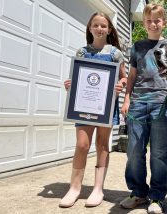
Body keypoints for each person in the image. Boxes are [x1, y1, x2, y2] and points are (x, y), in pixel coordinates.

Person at [59, 12, 127, 208]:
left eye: (103, 26)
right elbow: (77, 77)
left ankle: (98, 188)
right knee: (82, 145)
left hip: (105, 106)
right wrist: (70, 85)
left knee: (102, 145)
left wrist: (120, 85)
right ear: (89, 28)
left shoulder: (115, 53)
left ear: (109, 30)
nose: (99, 29)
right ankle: (74, 188)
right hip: (83, 106)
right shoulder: (81, 52)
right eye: (95, 25)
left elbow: (123, 77)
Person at [119, 3, 167, 214]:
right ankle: (138, 192)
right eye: (149, 20)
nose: (153, 24)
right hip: (138, 104)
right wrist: (127, 99)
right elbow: (132, 76)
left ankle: (157, 197)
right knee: (134, 151)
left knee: (159, 153)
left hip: (162, 103)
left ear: (164, 23)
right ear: (144, 23)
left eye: (157, 20)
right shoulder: (137, 47)